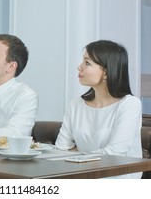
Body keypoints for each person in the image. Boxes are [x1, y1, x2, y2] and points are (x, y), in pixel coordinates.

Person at [55, 40, 142, 179]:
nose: (79, 67)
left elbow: (114, 153)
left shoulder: (130, 104)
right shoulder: (75, 105)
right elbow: (60, 148)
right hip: (84, 176)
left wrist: (77, 153)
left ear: (106, 73)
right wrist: (86, 156)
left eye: (87, 63)